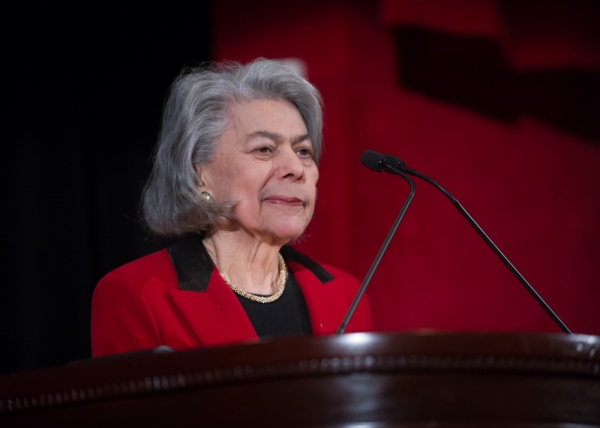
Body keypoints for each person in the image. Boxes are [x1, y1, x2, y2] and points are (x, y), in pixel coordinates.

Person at [91, 59, 371, 357]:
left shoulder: (346, 294)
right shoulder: (136, 294)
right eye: (264, 149)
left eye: (303, 151)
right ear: (201, 175)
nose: (295, 168)